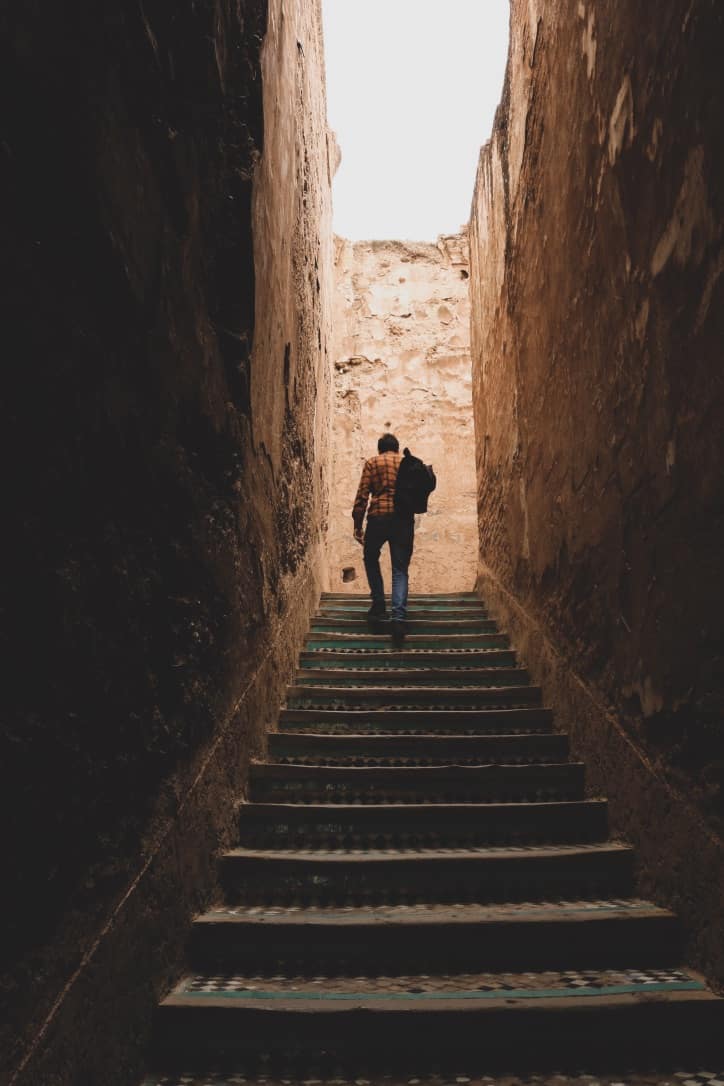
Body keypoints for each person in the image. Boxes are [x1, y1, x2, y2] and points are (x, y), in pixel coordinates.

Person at [352, 432, 414, 644]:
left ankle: (379, 604)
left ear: (380, 448)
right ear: (397, 448)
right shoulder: (406, 463)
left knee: (370, 558)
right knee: (399, 569)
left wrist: (357, 526)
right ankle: (398, 618)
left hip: (378, 518)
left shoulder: (372, 462)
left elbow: (362, 496)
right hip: (403, 519)